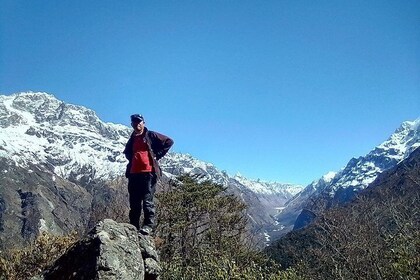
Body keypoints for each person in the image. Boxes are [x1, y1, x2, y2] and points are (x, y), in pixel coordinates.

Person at [123, 114, 173, 235]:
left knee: (147, 201)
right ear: (132, 125)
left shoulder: (151, 135)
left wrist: (158, 155)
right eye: (135, 122)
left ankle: (148, 225)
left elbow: (169, 141)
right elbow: (127, 152)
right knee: (134, 202)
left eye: (139, 122)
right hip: (134, 173)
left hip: (149, 173)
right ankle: (133, 226)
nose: (137, 124)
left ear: (144, 123)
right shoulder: (132, 139)